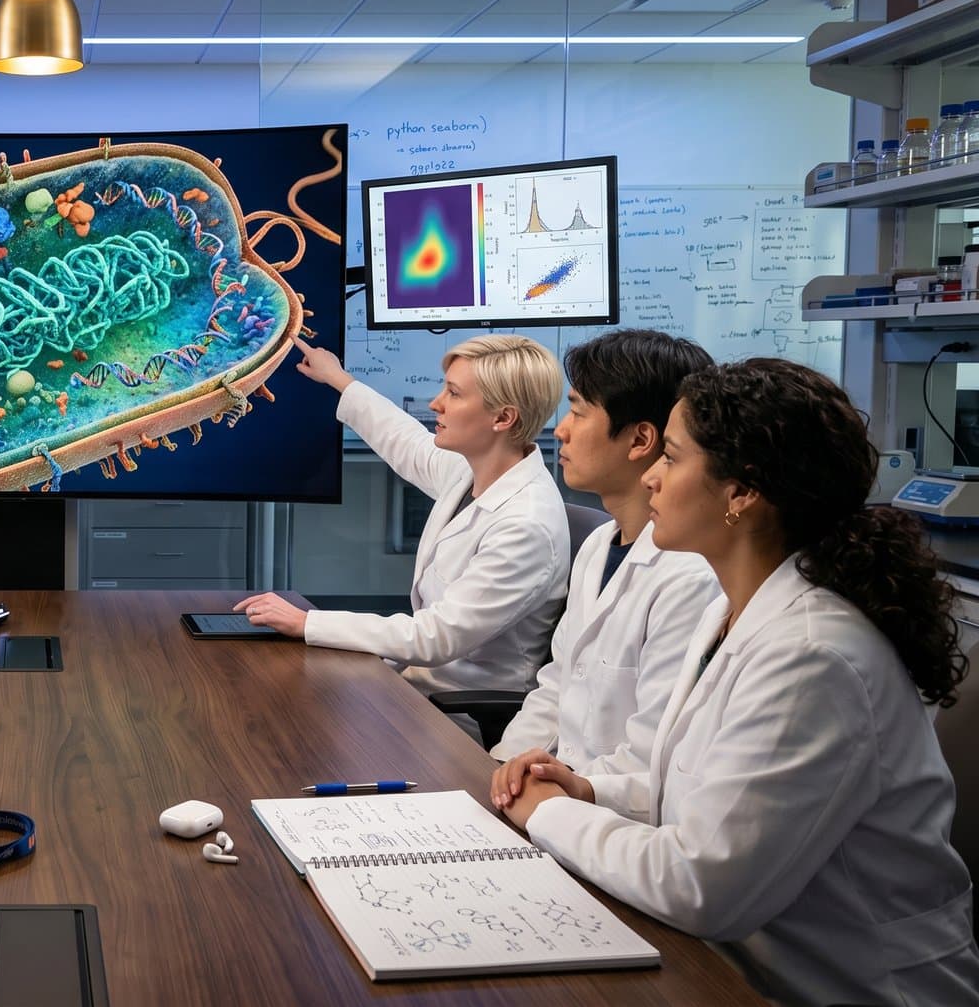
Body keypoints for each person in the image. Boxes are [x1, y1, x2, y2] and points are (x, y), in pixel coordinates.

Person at [498, 359, 979, 1006]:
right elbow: (702, 787)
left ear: (742, 492)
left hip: (853, 987)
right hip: (746, 965)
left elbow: (701, 884)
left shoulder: (813, 656)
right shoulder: (735, 612)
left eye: (670, 456)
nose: (650, 476)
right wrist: (590, 789)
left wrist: (548, 813)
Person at [238, 334, 568, 709]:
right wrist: (338, 378)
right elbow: (405, 440)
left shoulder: (526, 524)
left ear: (503, 417)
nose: (435, 404)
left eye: (454, 394)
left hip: (458, 713)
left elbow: (438, 636)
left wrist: (308, 623)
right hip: (413, 684)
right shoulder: (471, 471)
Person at [487, 330, 719, 803]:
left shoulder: (692, 575)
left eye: (576, 410)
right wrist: (498, 769)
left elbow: (651, 755)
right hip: (556, 796)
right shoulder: (598, 544)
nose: (560, 430)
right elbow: (557, 684)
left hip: (609, 812)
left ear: (640, 440)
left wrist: (560, 794)